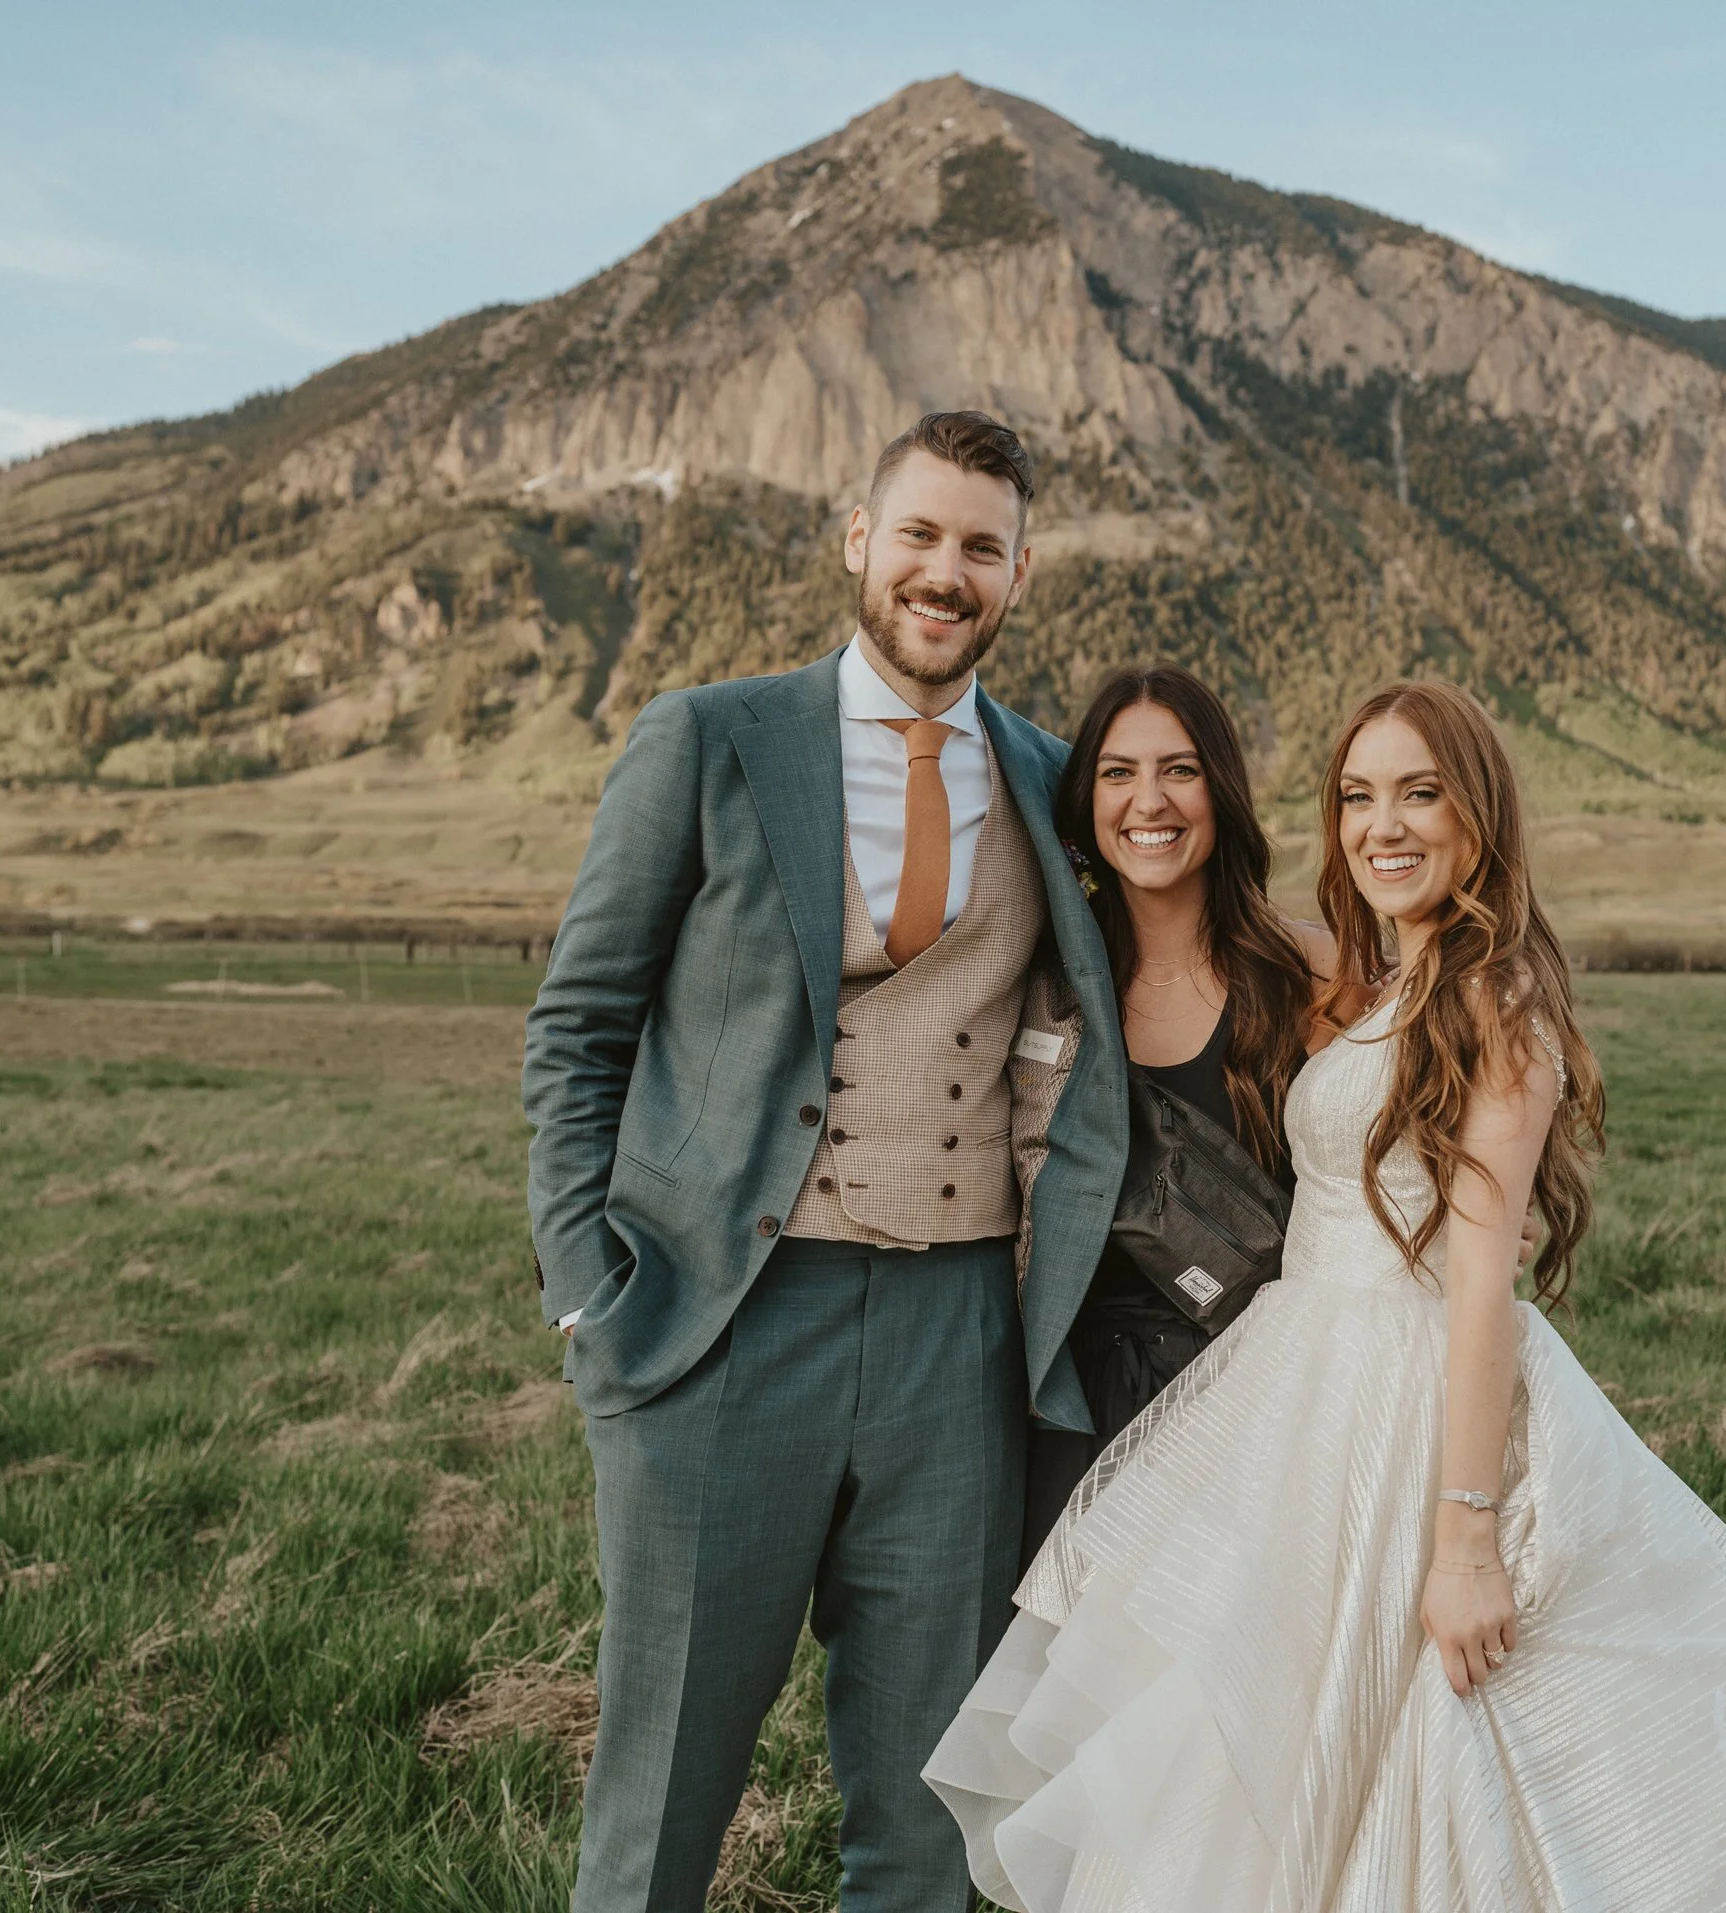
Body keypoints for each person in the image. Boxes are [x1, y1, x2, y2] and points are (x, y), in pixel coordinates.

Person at [925, 680, 1726, 1910]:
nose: (1384, 824)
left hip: (1404, 1386)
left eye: (1419, 792)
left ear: (1478, 811)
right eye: (1360, 796)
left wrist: (1466, 1534)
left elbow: (1484, 1278)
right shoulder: (1378, 983)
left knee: (1414, 1734)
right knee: (1243, 1730)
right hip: (1292, 1384)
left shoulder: (1495, 1000)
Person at [523, 410, 1128, 1913]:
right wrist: (585, 1288)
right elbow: (581, 1023)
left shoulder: (1054, 779)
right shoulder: (708, 736)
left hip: (958, 1341)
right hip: (725, 1318)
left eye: (980, 546)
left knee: (928, 1811)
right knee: (662, 1794)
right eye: (919, 533)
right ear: (859, 540)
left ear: (1020, 573)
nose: (946, 570)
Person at [1021, 664, 1332, 1559]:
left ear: (1222, 790)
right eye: (1118, 772)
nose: (1147, 800)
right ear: (1086, 802)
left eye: (1180, 769)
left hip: (1250, 1401)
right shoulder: (1042, 992)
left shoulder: (1313, 974)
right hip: (1070, 1409)